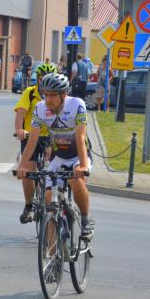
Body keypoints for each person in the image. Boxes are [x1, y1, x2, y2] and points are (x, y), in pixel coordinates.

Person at [16, 73, 94, 241]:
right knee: (49, 201)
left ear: (63, 94)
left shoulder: (77, 104)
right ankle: (50, 251)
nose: (48, 99)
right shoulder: (40, 108)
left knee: (75, 180)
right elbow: (33, 140)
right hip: (58, 157)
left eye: (52, 95)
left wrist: (82, 165)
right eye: (46, 94)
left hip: (79, 155)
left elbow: (80, 137)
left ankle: (86, 219)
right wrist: (22, 165)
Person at [13, 62, 57, 223]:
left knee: (51, 168)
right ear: (37, 78)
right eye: (41, 78)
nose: (44, 81)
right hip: (30, 135)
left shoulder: (58, 95)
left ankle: (53, 204)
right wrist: (19, 130)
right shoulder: (30, 93)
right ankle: (29, 206)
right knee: (27, 170)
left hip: (50, 136)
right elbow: (21, 113)